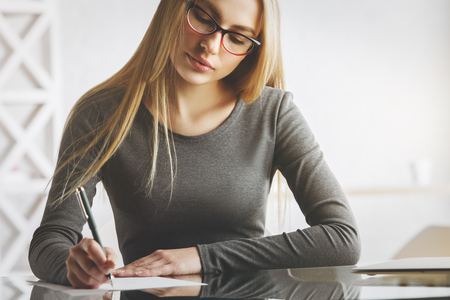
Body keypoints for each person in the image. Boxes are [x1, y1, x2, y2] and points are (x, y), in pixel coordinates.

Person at [29, 0, 360, 289]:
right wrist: (74, 268)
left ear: (252, 49)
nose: (212, 45)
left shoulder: (274, 113)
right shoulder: (101, 113)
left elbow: (342, 238)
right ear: (176, 7)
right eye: (204, 17)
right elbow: (48, 242)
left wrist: (198, 257)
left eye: (237, 37)